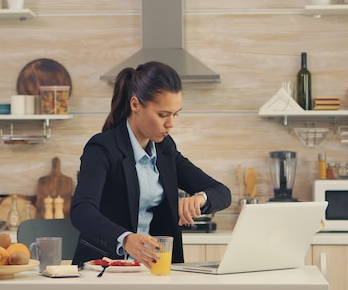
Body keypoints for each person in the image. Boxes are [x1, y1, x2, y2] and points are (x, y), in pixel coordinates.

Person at [70, 61, 231, 268]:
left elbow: (221, 192)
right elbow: (82, 211)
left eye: (175, 114)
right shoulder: (102, 148)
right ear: (135, 104)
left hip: (153, 270)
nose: (170, 123)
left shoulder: (165, 149)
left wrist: (201, 198)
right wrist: (125, 238)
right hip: (104, 270)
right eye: (163, 115)